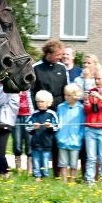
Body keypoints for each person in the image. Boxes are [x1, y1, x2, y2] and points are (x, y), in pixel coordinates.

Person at [31, 39, 68, 176]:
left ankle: (57, 172)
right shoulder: (36, 68)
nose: (60, 57)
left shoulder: (62, 68)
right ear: (48, 53)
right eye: (58, 54)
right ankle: (39, 172)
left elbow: (66, 89)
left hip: (58, 111)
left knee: (57, 142)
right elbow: (31, 92)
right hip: (41, 112)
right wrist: (34, 112)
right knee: (42, 142)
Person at [26, 90, 59, 181]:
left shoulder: (51, 114)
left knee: (45, 161)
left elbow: (56, 127)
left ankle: (45, 176)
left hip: (46, 143)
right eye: (38, 102)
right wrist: (33, 127)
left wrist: (50, 127)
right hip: (35, 144)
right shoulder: (33, 114)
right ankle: (37, 176)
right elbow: (27, 126)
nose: (39, 104)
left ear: (48, 102)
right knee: (35, 161)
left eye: (42, 102)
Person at [0, 81, 18, 179]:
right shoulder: (1, 87)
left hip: (4, 121)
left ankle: (5, 171)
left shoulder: (8, 88)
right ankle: (1, 171)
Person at [56, 84, 85, 183]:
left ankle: (72, 180)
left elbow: (82, 126)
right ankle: (64, 181)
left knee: (73, 163)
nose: (66, 97)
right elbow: (57, 121)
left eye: (69, 95)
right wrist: (58, 135)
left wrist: (79, 137)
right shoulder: (60, 107)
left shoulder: (80, 108)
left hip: (75, 140)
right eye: (65, 95)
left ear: (75, 96)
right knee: (63, 163)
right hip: (62, 139)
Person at [12, 90, 32, 174]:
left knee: (29, 144)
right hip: (16, 117)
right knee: (17, 144)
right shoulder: (12, 88)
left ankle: (29, 170)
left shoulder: (30, 88)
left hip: (29, 117)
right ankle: (18, 169)